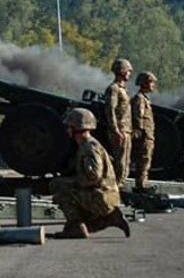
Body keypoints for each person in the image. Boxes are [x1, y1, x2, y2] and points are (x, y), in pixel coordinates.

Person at [49, 108, 130, 239]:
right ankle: (109, 218)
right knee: (66, 185)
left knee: (59, 188)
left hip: (102, 197)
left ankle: (76, 227)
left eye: (69, 126)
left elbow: (94, 176)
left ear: (76, 128)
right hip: (105, 195)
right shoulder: (88, 145)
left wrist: (73, 182)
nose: (67, 130)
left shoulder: (89, 148)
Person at [103, 58, 134, 186]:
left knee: (125, 162)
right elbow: (110, 110)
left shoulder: (123, 89)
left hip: (126, 130)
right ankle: (115, 188)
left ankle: (119, 186)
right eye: (128, 71)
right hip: (119, 131)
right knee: (120, 163)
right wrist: (115, 130)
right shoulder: (114, 89)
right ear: (121, 71)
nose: (129, 73)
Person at [131, 71, 157, 192]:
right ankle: (141, 185)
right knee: (143, 160)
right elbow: (138, 116)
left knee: (146, 160)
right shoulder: (139, 99)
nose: (153, 85)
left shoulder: (145, 99)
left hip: (148, 135)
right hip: (144, 136)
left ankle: (142, 183)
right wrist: (140, 131)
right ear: (144, 83)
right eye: (151, 82)